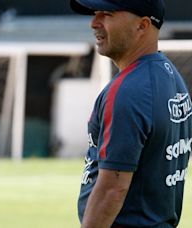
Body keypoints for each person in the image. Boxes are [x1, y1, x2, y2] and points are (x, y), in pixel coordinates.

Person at [70, 0, 192, 227]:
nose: (94, 23)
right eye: (95, 14)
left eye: (106, 14)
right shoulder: (171, 77)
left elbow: (113, 189)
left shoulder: (128, 90)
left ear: (142, 26)